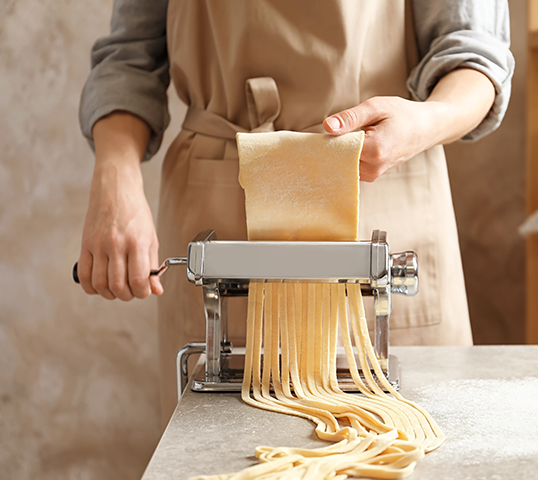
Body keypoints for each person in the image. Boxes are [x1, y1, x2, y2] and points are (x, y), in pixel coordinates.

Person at [77, 0, 514, 423]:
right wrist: (114, 177)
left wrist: (426, 121)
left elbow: (473, 51)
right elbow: (130, 57)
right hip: (218, 207)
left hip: (382, 188)